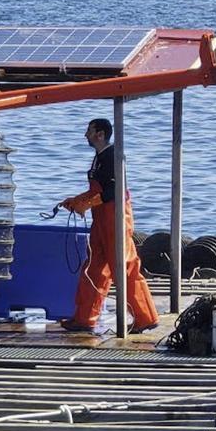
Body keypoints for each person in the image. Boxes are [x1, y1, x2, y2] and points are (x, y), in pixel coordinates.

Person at [59, 118, 159, 334]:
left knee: (124, 266)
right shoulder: (99, 158)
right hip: (100, 220)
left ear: (100, 134)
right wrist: (76, 200)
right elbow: (98, 189)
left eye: (89, 131)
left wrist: (85, 204)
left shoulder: (114, 155)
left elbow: (113, 191)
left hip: (115, 217)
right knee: (93, 267)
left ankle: (145, 317)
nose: (86, 135)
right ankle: (85, 318)